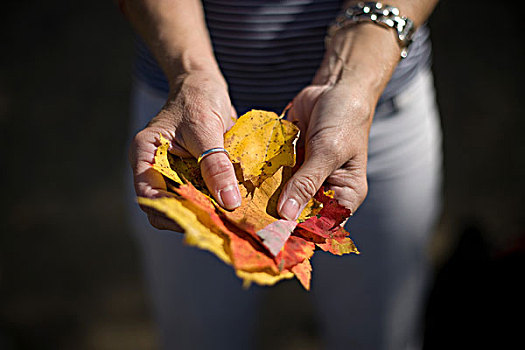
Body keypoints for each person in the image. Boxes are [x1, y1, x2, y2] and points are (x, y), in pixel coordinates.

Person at [123, 0, 442, 349]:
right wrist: (189, 72)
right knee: (197, 336)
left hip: (368, 113)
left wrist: (353, 80)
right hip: (185, 130)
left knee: (379, 336)